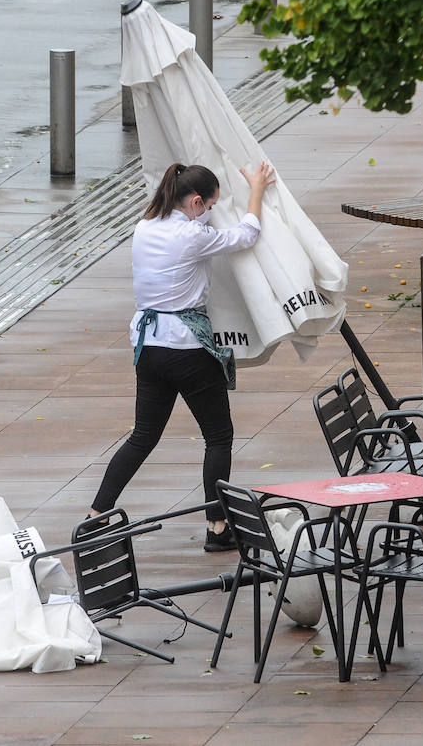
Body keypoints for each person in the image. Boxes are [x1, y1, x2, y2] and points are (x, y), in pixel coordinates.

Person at [89, 160, 276, 551]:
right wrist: (256, 188)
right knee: (218, 436)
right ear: (194, 202)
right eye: (209, 206)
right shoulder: (192, 236)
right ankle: (218, 527)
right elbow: (247, 234)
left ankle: (96, 516)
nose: (209, 213)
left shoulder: (143, 228)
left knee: (142, 436)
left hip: (148, 347)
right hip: (187, 349)